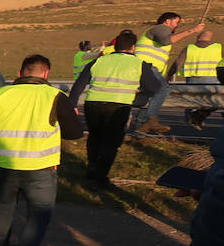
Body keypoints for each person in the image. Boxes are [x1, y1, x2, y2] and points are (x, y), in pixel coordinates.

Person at [0, 55, 83, 246]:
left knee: (3, 211)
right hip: (40, 167)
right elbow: (75, 133)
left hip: (5, 166)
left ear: (20, 73)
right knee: (39, 215)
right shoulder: (55, 96)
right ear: (46, 74)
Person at [68, 30, 164, 188]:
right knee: (111, 142)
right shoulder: (139, 64)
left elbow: (79, 84)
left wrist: (73, 104)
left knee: (95, 137)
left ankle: (92, 166)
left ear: (115, 46)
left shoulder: (99, 61)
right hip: (118, 106)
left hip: (93, 103)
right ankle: (100, 177)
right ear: (133, 47)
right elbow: (155, 87)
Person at [132, 12, 205, 133]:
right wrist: (192, 30)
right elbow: (166, 41)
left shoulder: (160, 32)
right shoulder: (161, 28)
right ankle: (151, 120)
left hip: (150, 69)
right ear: (167, 21)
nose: (177, 26)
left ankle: (139, 133)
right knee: (162, 89)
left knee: (148, 100)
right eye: (176, 22)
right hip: (146, 66)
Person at [168, 30, 220, 130]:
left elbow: (178, 63)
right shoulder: (218, 48)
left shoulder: (189, 48)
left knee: (191, 99)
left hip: (192, 79)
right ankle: (197, 117)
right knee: (214, 101)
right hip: (212, 79)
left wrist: (170, 74)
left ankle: (190, 117)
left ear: (199, 38)